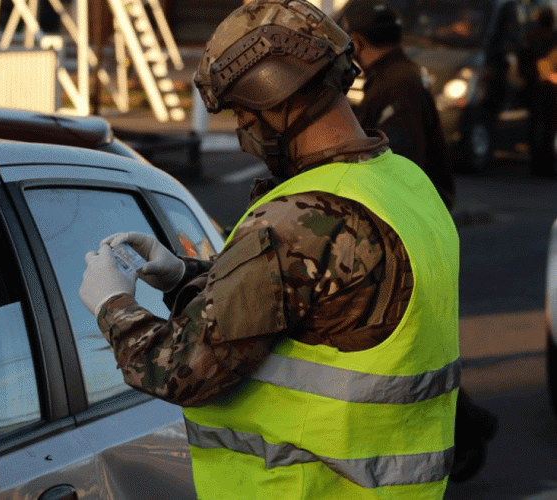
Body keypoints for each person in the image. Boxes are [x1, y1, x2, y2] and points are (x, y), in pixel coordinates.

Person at [79, 1, 460, 498]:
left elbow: (179, 372)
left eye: (242, 110)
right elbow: (324, 305)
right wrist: (184, 277)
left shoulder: (300, 221)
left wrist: (114, 307)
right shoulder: (405, 184)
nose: (242, 135)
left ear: (276, 97)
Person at [337, 0, 496, 483]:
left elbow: (398, 161)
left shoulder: (396, 85)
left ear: (358, 43)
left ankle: (467, 432)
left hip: (406, 228)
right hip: (416, 223)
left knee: (407, 343)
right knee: (411, 341)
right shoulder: (402, 75)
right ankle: (466, 431)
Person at [336, 0, 455, 210]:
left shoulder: (397, 84)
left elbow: (398, 156)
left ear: (357, 41)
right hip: (423, 205)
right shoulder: (397, 74)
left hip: (414, 209)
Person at [520, 5, 557, 177]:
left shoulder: (531, 38)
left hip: (536, 88)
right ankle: (546, 165)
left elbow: (523, 65)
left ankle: (538, 164)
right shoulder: (551, 39)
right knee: (548, 127)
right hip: (547, 89)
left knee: (538, 126)